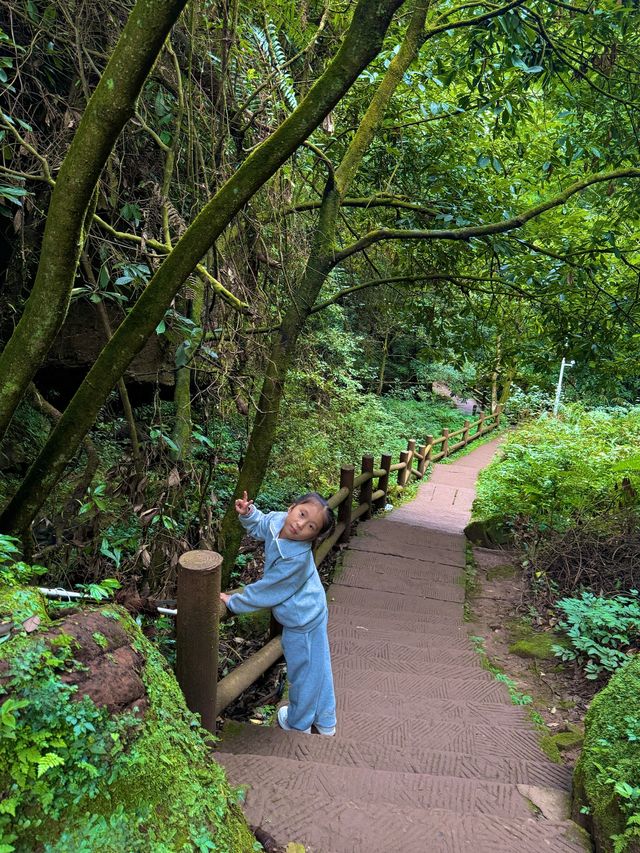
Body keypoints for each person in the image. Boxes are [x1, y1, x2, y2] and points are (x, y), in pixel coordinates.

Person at [220, 491, 337, 736]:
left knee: (303, 672)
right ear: (292, 507)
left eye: (310, 526)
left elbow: (268, 590)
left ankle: (299, 723)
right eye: (301, 514)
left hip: (302, 619)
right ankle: (325, 720)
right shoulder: (279, 519)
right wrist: (249, 514)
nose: (300, 524)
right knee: (318, 665)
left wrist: (234, 603)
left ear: (313, 537)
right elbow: (263, 524)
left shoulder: (297, 558)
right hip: (312, 607)